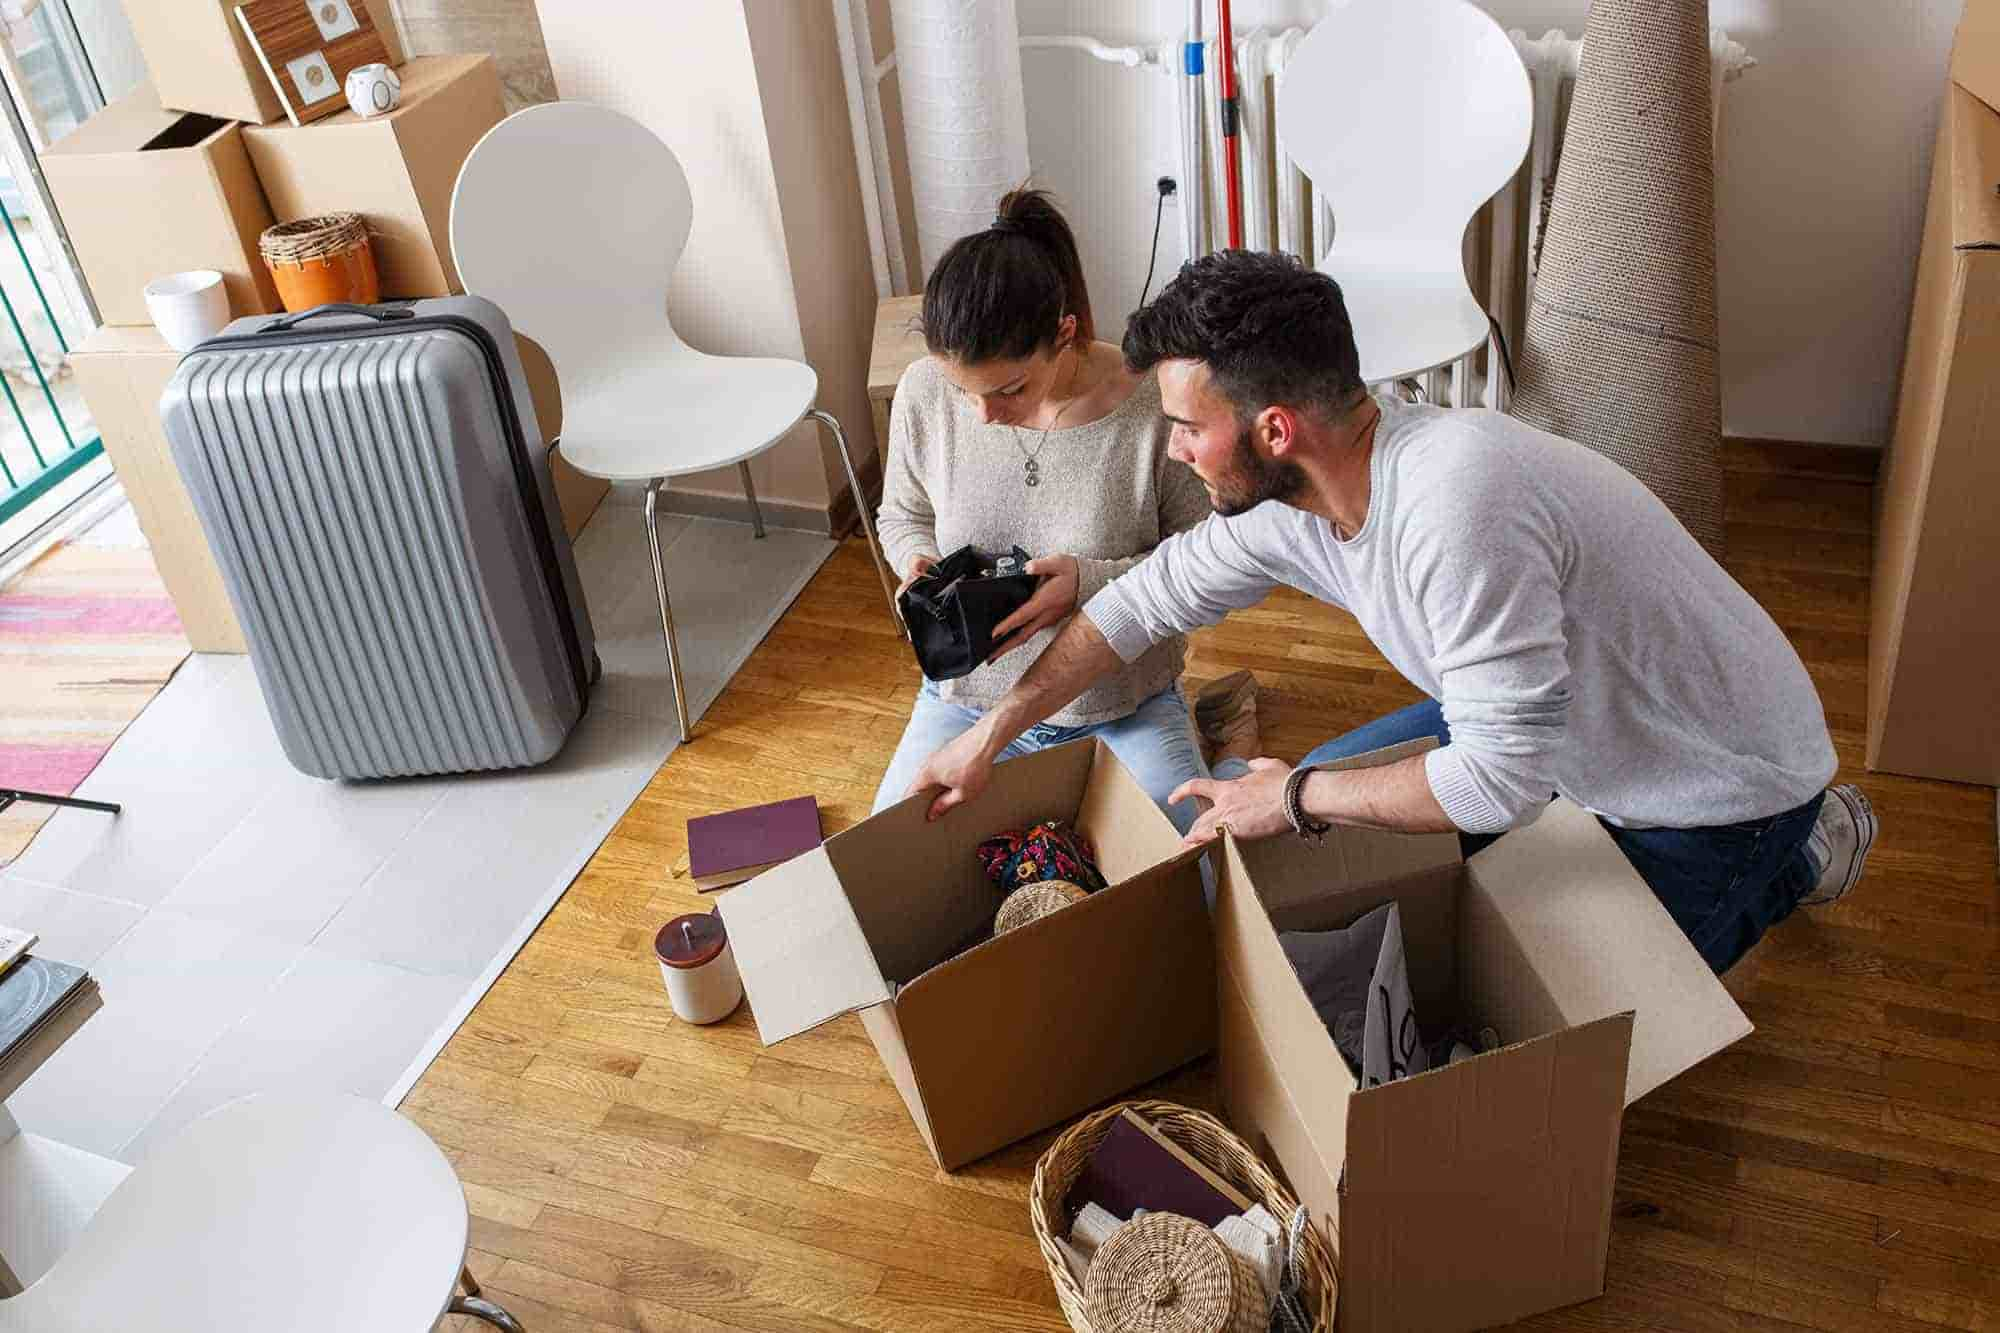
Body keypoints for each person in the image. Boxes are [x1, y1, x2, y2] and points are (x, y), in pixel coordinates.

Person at [904, 250, 1878, 974]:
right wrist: (991, 732)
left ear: (1272, 428)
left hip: (1711, 786)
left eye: (1187, 429)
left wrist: (1289, 795)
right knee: (1309, 814)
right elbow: (1138, 605)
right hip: (1543, 720)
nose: (1172, 453)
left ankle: (1799, 851)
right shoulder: (1290, 498)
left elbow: (1496, 782)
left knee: (1562, 1017)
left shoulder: (1455, 505)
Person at [871, 188, 1256, 831]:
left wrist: (1089, 581)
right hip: (965, 701)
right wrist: (919, 564)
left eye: (1009, 389)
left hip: (1119, 704)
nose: (983, 415)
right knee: (885, 870)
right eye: (964, 393)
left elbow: (1206, 559)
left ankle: (1235, 740)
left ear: (1065, 334)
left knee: (1193, 870)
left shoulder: (1154, 411)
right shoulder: (924, 392)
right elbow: (901, 511)